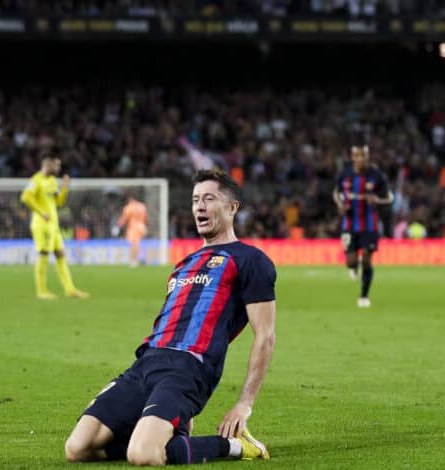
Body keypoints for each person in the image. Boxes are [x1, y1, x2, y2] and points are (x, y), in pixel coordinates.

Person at [64, 168, 276, 465]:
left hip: (188, 369)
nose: (199, 206)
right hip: (146, 363)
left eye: (209, 199)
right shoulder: (184, 264)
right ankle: (168, 433)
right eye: (195, 200)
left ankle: (234, 446)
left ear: (231, 207)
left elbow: (265, 336)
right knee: (78, 448)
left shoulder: (251, 260)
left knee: (143, 455)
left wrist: (244, 405)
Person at [20, 157, 89, 300]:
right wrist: (41, 211)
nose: (58, 168)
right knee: (44, 254)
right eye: (56, 165)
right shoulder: (36, 180)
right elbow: (26, 197)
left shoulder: (52, 181)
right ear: (48, 164)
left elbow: (59, 201)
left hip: (53, 225)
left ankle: (70, 289)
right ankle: (41, 291)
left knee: (60, 254)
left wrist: (64, 187)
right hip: (41, 224)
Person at [333, 144, 393, 307]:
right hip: (349, 223)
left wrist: (378, 200)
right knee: (351, 261)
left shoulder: (376, 175)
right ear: (353, 157)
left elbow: (390, 197)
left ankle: (364, 296)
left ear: (368, 156)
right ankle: (353, 267)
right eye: (357, 155)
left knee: (367, 259)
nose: (361, 159)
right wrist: (340, 204)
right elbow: (336, 193)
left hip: (369, 223)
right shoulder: (345, 174)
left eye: (364, 155)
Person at [112, 193, 149, 267]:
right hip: (142, 227)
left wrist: (118, 226)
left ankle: (133, 261)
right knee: (137, 243)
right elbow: (146, 218)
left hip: (133, 227)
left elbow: (124, 218)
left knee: (133, 244)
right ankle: (141, 257)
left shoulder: (129, 207)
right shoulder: (142, 206)